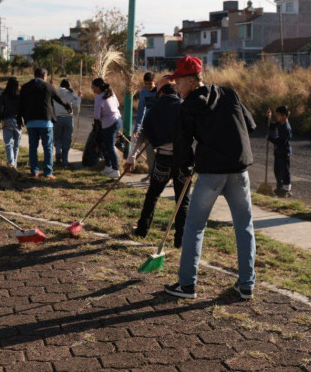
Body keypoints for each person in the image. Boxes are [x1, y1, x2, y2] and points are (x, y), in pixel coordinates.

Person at [164, 55, 257, 301]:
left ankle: (187, 285)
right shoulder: (229, 93)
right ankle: (246, 285)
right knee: (244, 226)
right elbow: (251, 125)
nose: (175, 86)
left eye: (178, 81)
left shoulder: (188, 106)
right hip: (239, 171)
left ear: (192, 81)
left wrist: (183, 170)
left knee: (194, 226)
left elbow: (182, 146)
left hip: (211, 174)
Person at [124, 82, 190, 247]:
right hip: (183, 161)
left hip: (163, 159)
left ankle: (142, 230)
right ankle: (180, 240)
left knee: (152, 196)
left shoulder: (154, 110)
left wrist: (131, 157)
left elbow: (141, 134)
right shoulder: (185, 108)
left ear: (161, 94)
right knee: (183, 201)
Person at [18, 68, 71, 179]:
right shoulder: (48, 87)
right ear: (44, 76)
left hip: (31, 122)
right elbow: (58, 99)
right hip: (46, 122)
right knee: (47, 148)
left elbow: (20, 104)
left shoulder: (25, 87)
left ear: (35, 75)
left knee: (33, 148)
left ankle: (34, 171)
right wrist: (68, 107)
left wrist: (20, 119)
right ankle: (48, 172)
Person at [92, 77, 122, 179]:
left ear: (98, 87)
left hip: (109, 123)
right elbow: (117, 104)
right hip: (117, 119)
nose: (92, 89)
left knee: (109, 146)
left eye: (93, 87)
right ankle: (108, 166)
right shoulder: (111, 93)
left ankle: (115, 169)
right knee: (107, 145)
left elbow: (96, 116)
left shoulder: (99, 98)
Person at [135, 72, 158, 182]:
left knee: (161, 154)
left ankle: (163, 176)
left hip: (160, 127)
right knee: (149, 153)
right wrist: (137, 127)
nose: (149, 86)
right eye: (147, 84)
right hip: (149, 126)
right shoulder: (143, 93)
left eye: (151, 84)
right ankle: (151, 174)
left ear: (155, 82)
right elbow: (141, 111)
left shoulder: (160, 91)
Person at [53, 79, 81, 168]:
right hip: (68, 118)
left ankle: (58, 151)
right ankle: (65, 161)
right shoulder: (70, 92)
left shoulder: (55, 92)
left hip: (57, 118)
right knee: (66, 140)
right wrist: (79, 96)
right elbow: (76, 104)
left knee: (57, 138)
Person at [266, 105, 293, 197]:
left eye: (278, 115)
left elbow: (281, 142)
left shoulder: (286, 128)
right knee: (277, 170)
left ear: (284, 116)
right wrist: (269, 117)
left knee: (285, 170)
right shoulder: (278, 124)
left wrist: (270, 138)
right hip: (278, 152)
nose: (277, 117)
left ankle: (286, 188)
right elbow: (271, 126)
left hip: (284, 152)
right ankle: (279, 186)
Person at [0, 77, 23, 168]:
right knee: (16, 145)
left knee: (9, 143)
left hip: (7, 120)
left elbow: (0, 108)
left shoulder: (3, 95)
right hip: (18, 122)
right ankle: (14, 164)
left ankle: (11, 163)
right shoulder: (20, 95)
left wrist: (1, 118)